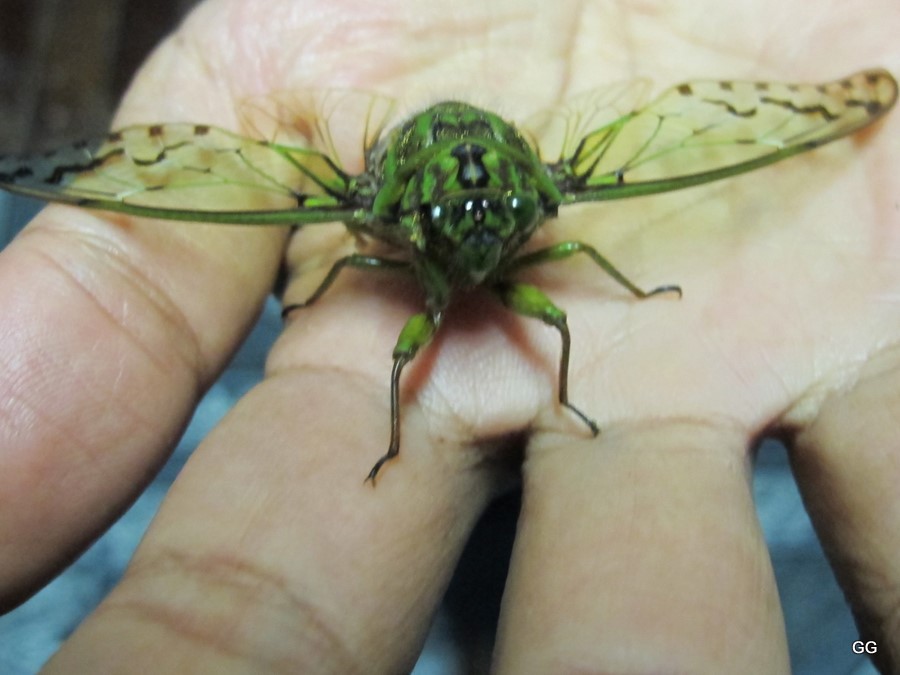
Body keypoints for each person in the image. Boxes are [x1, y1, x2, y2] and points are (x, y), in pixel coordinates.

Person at [1, 0, 898, 671]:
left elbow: (668, 168)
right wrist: (333, 271)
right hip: (400, 179)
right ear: (399, 227)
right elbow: (347, 258)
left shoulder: (551, 215)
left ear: (529, 214)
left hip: (497, 182)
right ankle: (474, 598)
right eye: (453, 238)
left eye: (500, 233)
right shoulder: (376, 227)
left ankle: (482, 599)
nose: (476, 256)